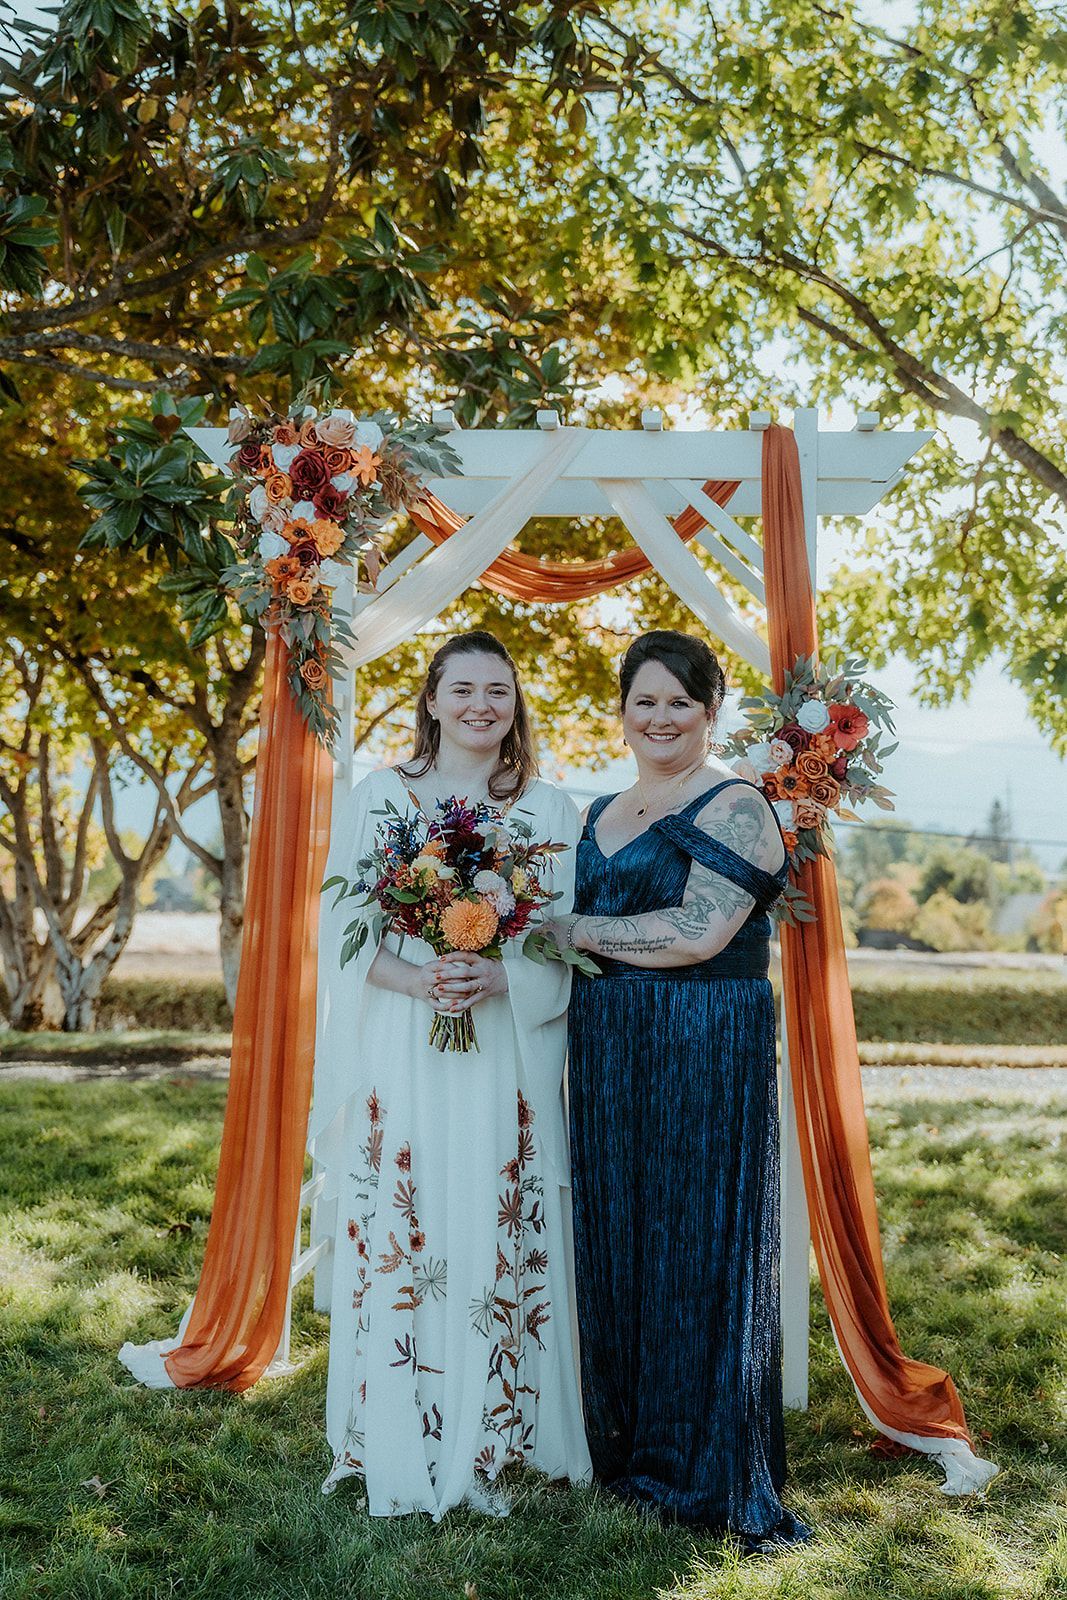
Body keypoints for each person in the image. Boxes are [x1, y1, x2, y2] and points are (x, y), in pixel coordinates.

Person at [310, 629, 592, 1521]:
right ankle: (400, 1415)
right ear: (429, 699)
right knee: (414, 1205)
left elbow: (560, 934)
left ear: (516, 706)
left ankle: (500, 1424)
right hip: (405, 1040)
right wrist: (425, 978)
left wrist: (501, 975)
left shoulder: (550, 810)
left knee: (490, 1201)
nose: (481, 706)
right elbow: (344, 928)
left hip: (505, 1045)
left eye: (498, 692)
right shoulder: (380, 796)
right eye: (462, 689)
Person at [543, 629, 810, 1554]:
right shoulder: (599, 809)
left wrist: (568, 928)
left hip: (702, 1036)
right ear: (620, 709)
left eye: (678, 704)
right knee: (622, 1231)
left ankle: (704, 1463)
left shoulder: (735, 803)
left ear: (709, 711)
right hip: (610, 1042)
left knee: (694, 1237)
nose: (659, 719)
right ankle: (630, 1447)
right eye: (643, 701)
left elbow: (699, 932)